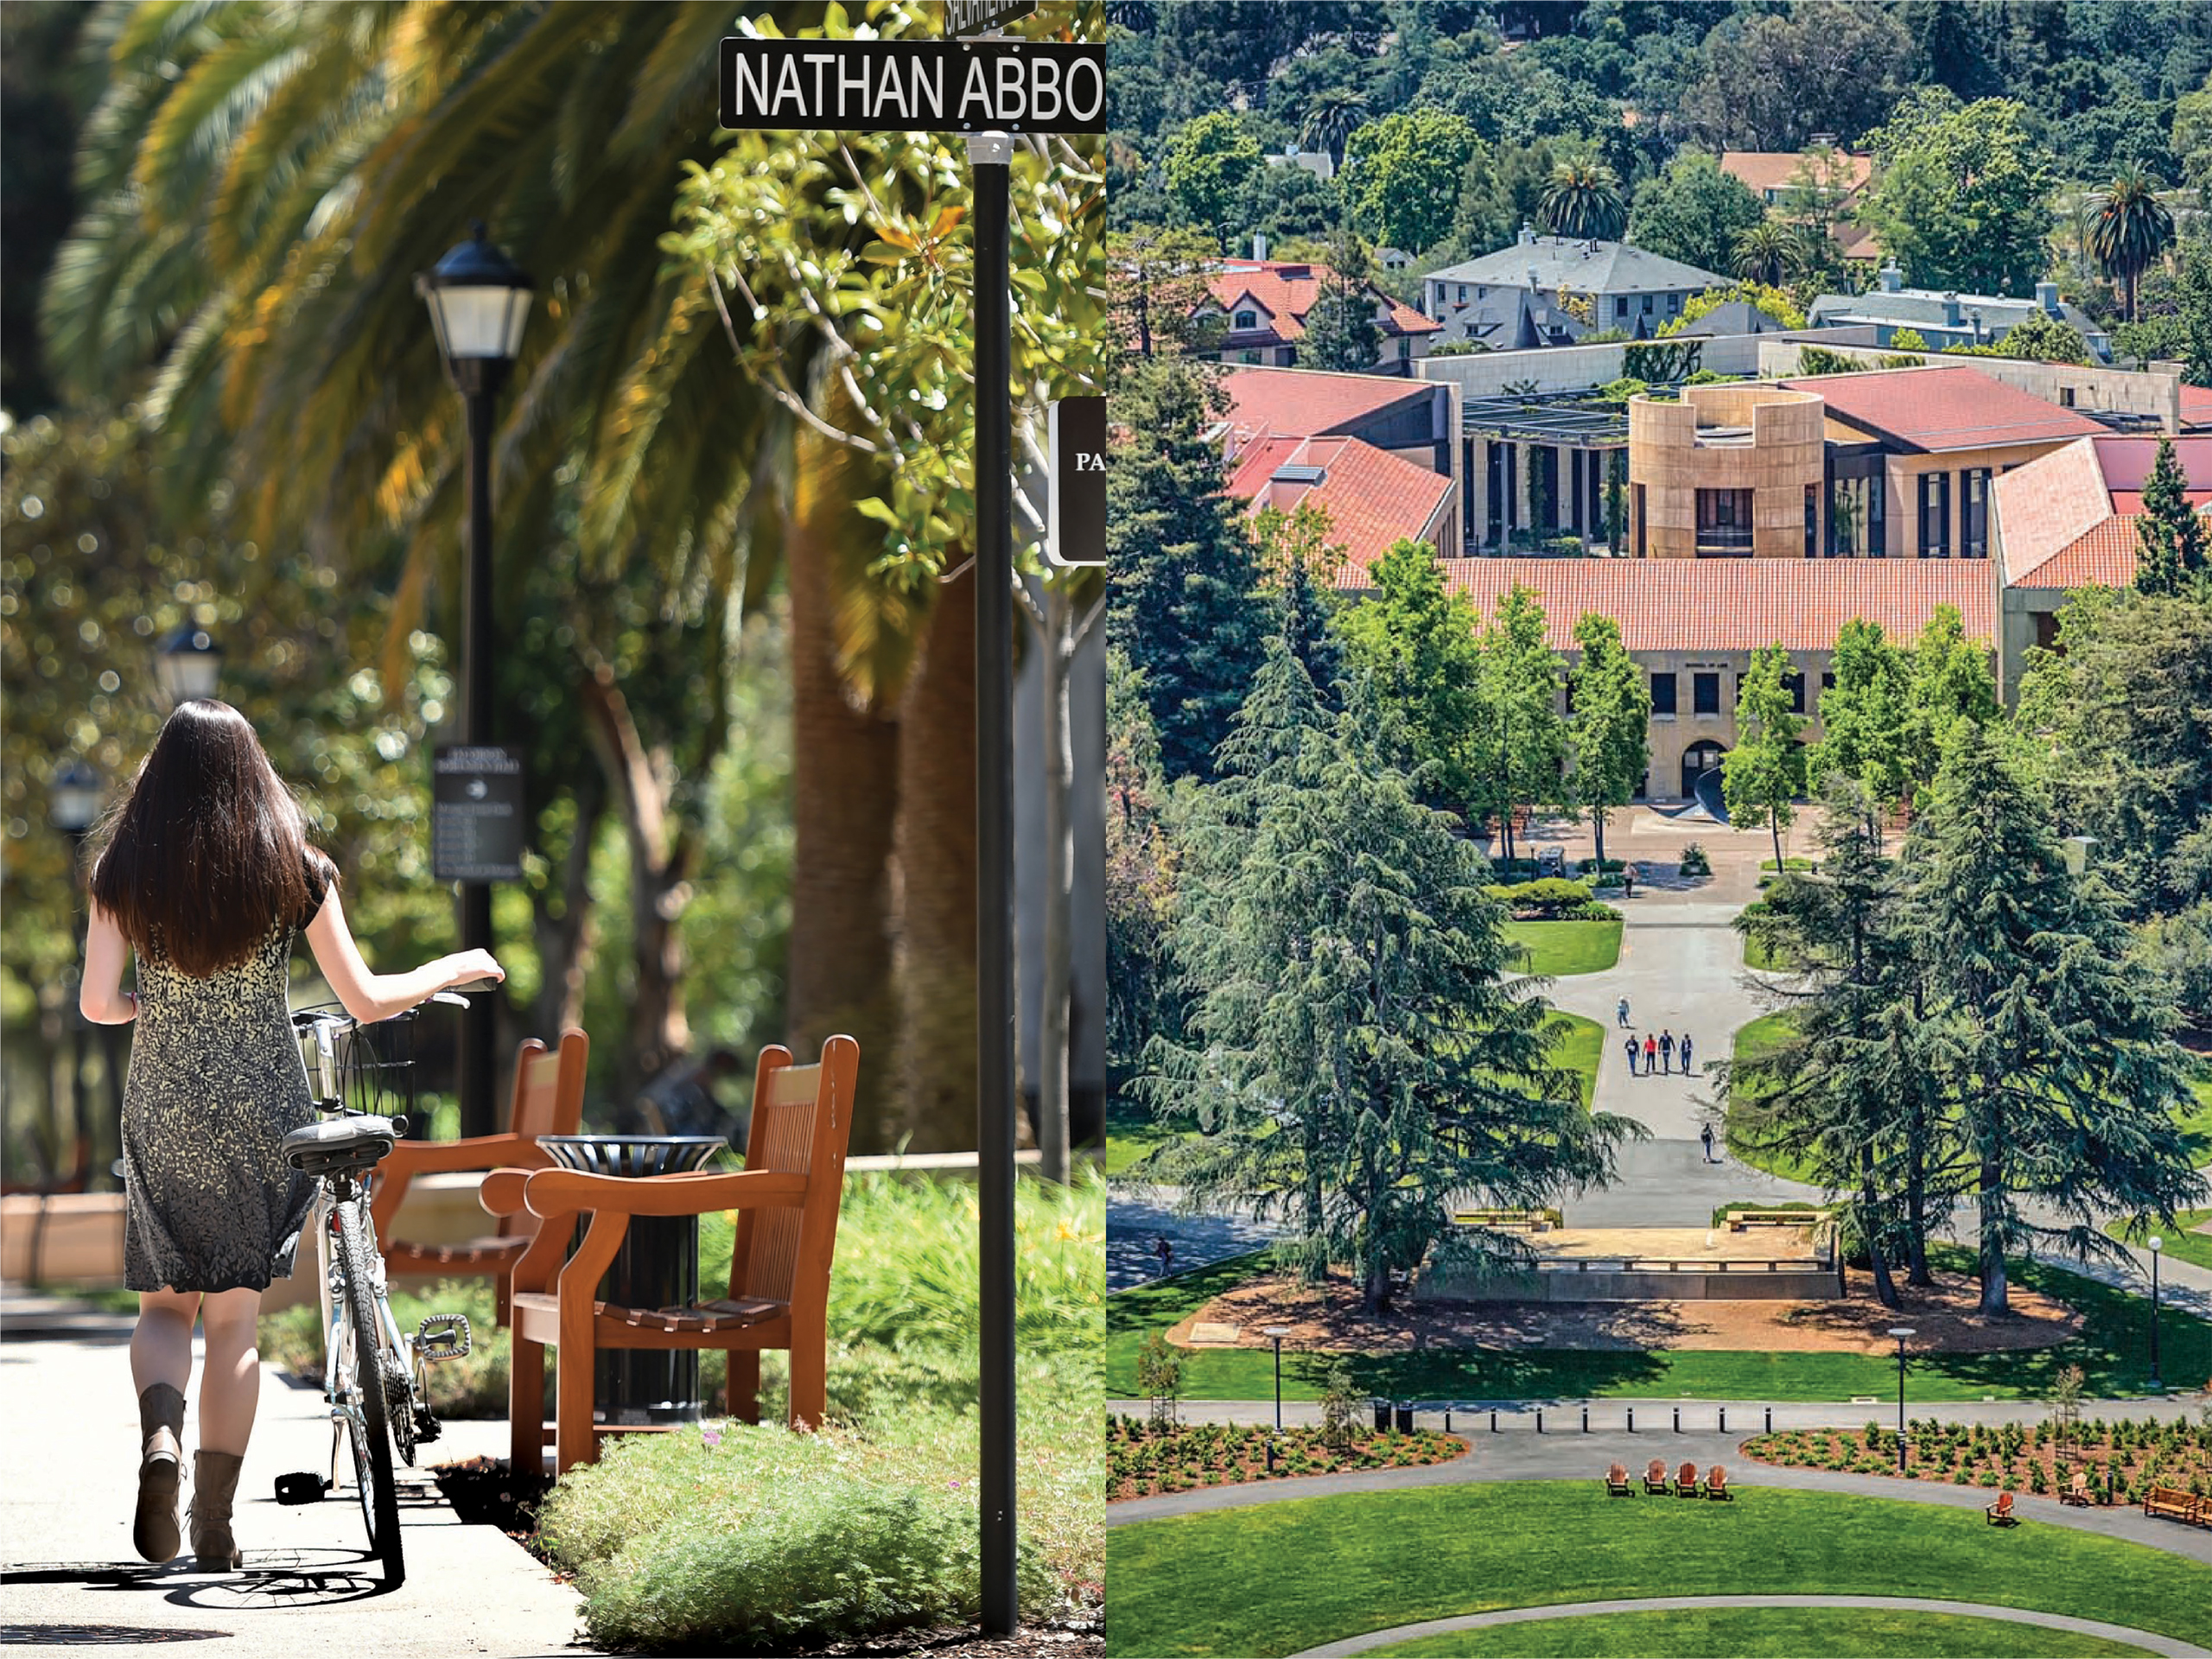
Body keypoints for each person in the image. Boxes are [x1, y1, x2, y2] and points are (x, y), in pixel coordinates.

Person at [78, 699, 505, 1571]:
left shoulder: (123, 873)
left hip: (164, 1105)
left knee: (166, 1305)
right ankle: (216, 1524)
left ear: (158, 781)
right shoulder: (292, 867)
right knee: (234, 1323)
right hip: (265, 1110)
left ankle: (160, 1445)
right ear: (253, 775)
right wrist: (456, 966)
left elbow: (96, 1003)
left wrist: (152, 1008)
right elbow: (366, 1000)